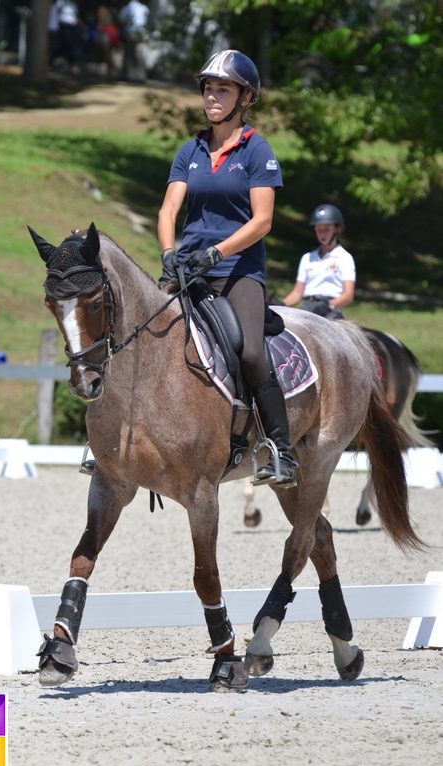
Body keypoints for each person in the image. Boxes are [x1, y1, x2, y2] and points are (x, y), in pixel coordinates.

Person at [157, 50, 298, 487]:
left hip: (237, 270)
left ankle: (280, 448)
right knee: (140, 333)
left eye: (223, 89)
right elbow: (168, 210)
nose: (212, 97)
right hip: (188, 270)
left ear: (245, 97)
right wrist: (168, 252)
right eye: (208, 88)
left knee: (251, 352)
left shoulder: (257, 151)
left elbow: (262, 221)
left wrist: (216, 253)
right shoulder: (190, 150)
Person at [282, 204, 356, 320]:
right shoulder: (307, 258)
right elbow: (297, 293)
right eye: (318, 229)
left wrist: (327, 305)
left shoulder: (345, 258)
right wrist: (280, 305)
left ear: (337, 229)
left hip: (331, 311)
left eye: (326, 229)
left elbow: (348, 295)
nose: (322, 234)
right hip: (307, 308)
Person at [118, 0, 149, 81]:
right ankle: (140, 77)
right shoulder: (144, 8)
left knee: (128, 54)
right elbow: (148, 21)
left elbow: (121, 19)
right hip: (141, 34)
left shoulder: (127, 8)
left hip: (130, 33)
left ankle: (127, 76)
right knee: (140, 55)